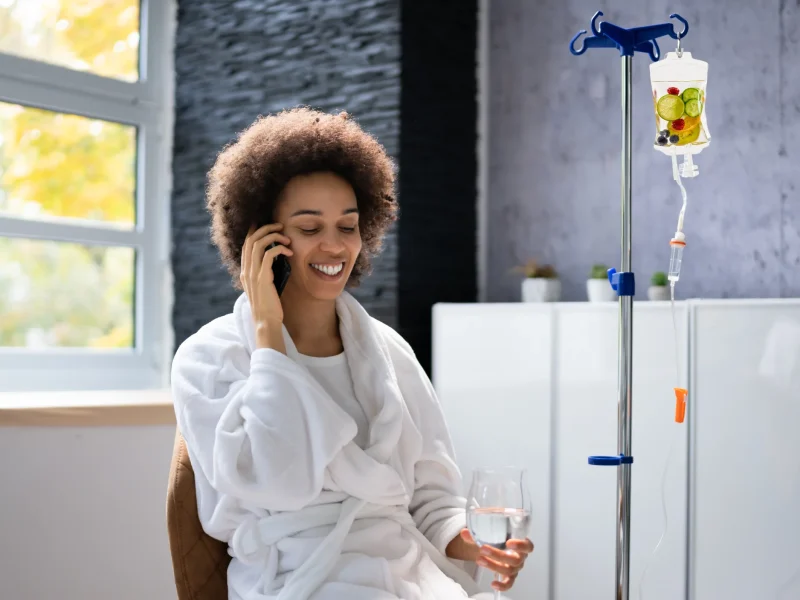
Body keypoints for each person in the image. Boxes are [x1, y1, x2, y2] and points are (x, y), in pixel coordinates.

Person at [170, 107, 534, 600]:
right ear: (262, 241)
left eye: (347, 226)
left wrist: (475, 544)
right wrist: (268, 334)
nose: (334, 246)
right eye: (308, 227)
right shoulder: (209, 358)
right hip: (297, 580)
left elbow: (431, 498)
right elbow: (278, 482)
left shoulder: (388, 350)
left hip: (407, 573)